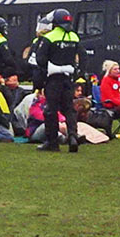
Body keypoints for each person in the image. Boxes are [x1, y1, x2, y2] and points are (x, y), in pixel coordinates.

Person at [32, 8, 83, 152]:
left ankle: (52, 142)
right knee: (69, 109)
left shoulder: (49, 37)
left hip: (53, 79)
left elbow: (40, 59)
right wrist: (78, 72)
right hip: (68, 78)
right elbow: (83, 56)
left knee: (51, 110)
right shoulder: (74, 37)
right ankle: (73, 136)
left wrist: (42, 75)